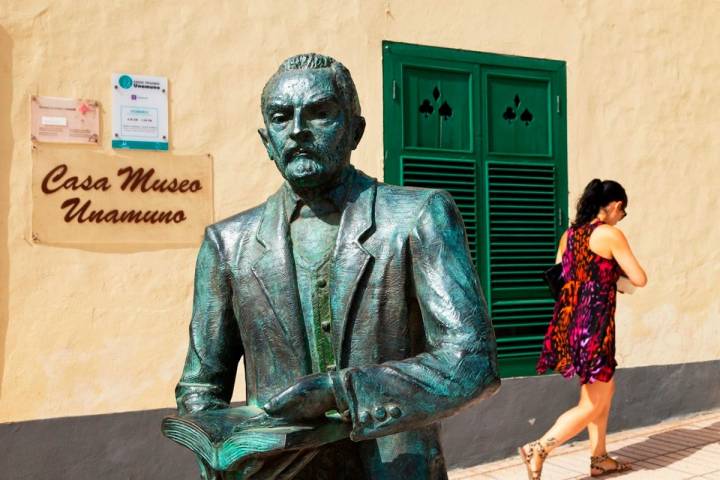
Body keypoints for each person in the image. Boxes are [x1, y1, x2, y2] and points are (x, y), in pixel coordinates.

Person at [175, 53, 500, 479]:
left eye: (319, 113)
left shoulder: (418, 216)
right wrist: (219, 452)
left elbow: (471, 362)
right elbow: (201, 386)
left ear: (355, 129)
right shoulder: (227, 243)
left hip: (394, 468)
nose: (297, 132)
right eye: (280, 118)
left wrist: (342, 392)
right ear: (265, 140)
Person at [519, 179, 647, 479]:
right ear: (615, 206)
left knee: (603, 389)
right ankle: (539, 447)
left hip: (572, 325)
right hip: (597, 325)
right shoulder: (610, 234)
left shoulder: (569, 236)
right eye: (622, 212)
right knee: (592, 402)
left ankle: (599, 457)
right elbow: (639, 278)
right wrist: (613, 275)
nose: (621, 217)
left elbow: (561, 275)